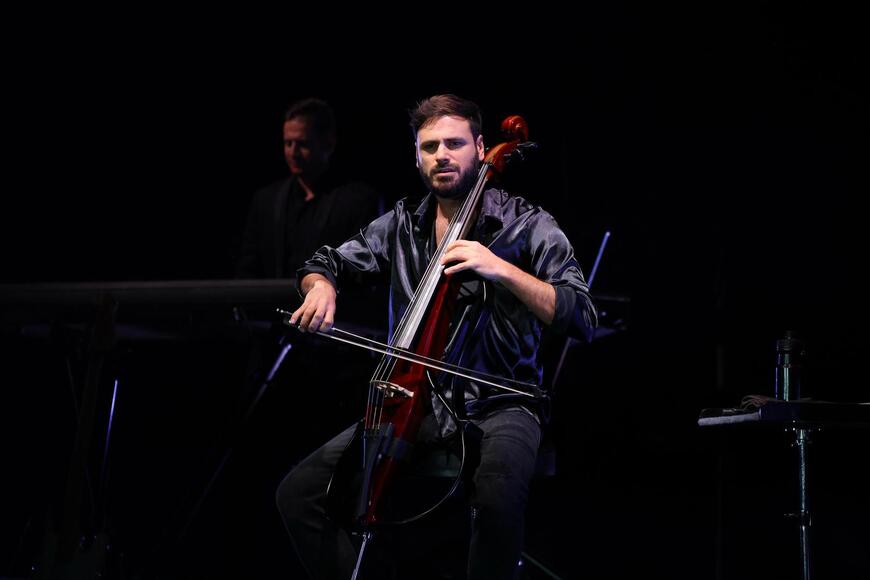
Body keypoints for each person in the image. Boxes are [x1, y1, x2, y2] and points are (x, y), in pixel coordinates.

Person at [276, 94, 597, 579]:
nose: (441, 155)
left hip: (502, 402)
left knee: (495, 502)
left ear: (481, 147)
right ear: (417, 155)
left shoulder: (529, 225)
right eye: (429, 146)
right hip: (410, 399)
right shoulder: (403, 223)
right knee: (298, 494)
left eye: (453, 143)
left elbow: (582, 314)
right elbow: (326, 261)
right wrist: (319, 286)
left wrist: (502, 269)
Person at [235, 97, 382, 278]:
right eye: (288, 143)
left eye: (302, 144)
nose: (293, 152)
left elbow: (366, 268)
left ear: (328, 143)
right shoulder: (266, 200)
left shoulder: (359, 201)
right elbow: (248, 269)